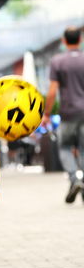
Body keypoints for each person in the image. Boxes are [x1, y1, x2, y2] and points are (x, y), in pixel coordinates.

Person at [42, 26, 84, 203]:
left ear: (64, 41)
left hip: (67, 113)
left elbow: (52, 91)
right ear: (80, 40)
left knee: (65, 147)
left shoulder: (57, 61)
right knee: (83, 149)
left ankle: (75, 179)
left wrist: (47, 114)